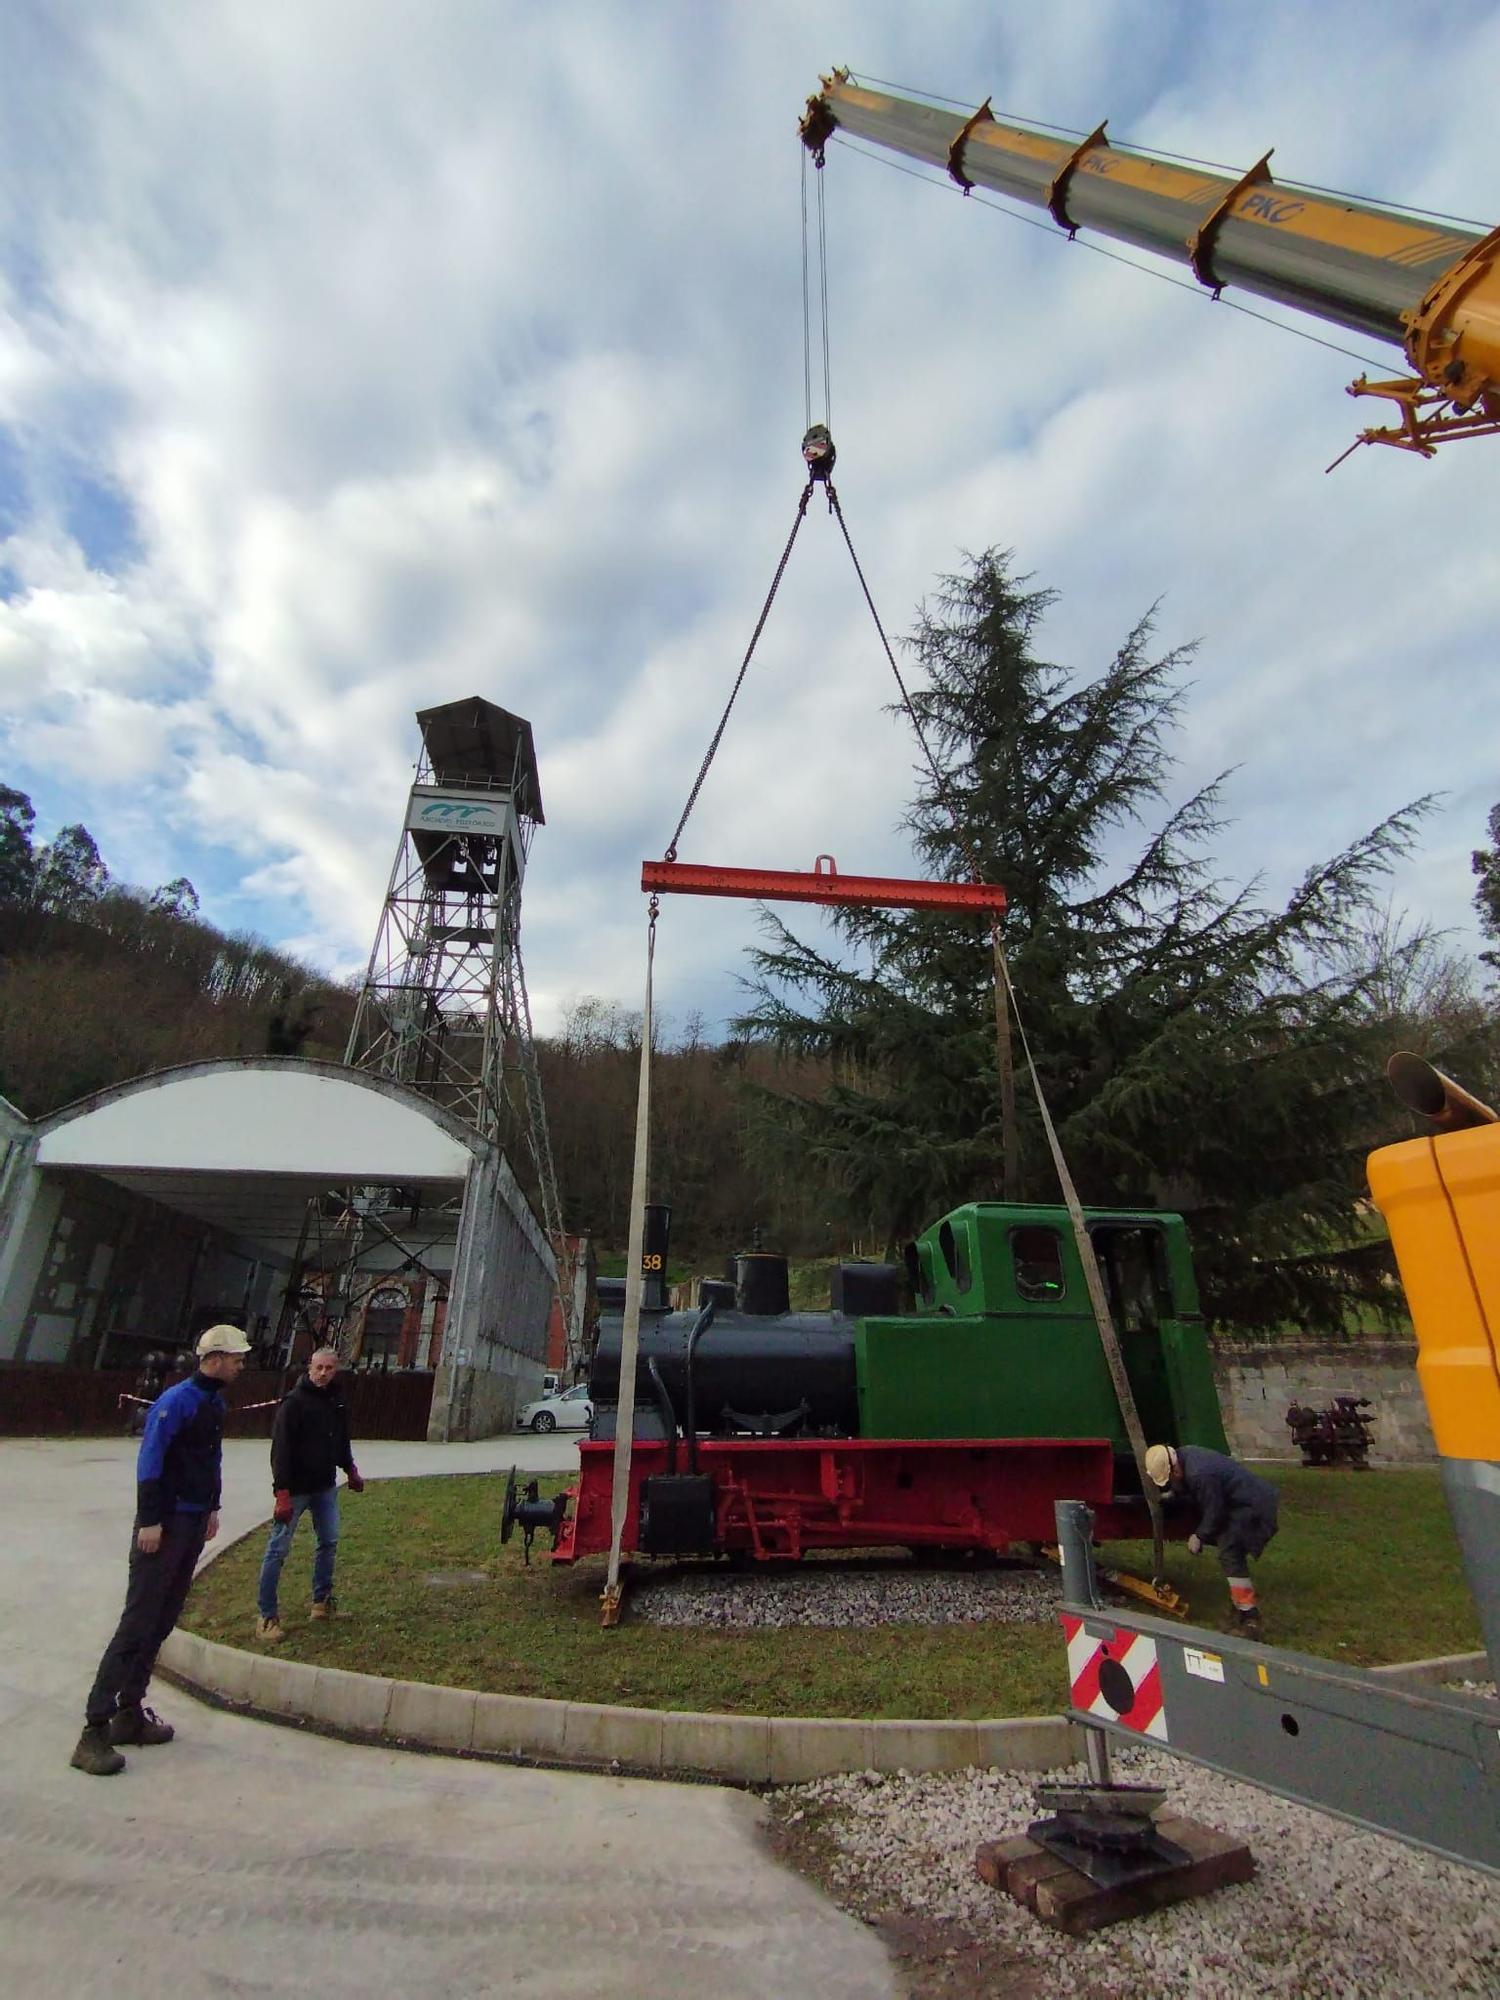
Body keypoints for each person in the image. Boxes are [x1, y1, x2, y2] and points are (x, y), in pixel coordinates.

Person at [71, 1323, 252, 1777]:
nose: (241, 1364)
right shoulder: (177, 1402)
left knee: (164, 1617)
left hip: (192, 1522)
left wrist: (212, 1507)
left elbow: (210, 1459)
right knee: (136, 1623)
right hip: (164, 1523)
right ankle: (94, 1729)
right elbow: (150, 1461)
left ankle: (130, 1711)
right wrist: (150, 1519)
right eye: (236, 1357)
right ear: (214, 1359)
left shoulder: (213, 1402)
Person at [255, 1345, 363, 1640]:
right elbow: (281, 1451)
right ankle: (266, 1616)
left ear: (335, 1370)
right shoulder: (294, 1403)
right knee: (278, 1549)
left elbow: (340, 1440)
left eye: (330, 1368)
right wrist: (282, 1493)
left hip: (324, 1486)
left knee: (328, 1541)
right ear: (310, 1369)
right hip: (295, 1489)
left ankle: (322, 1602)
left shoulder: (336, 1401)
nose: (324, 1373)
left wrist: (350, 1469)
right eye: (319, 1368)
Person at [1144, 1441, 1280, 1634]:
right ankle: (1241, 1606)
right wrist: (1173, 1496)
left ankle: (1250, 1617)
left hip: (1253, 1506)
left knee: (1230, 1550)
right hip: (1242, 1501)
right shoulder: (1185, 1456)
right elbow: (1190, 1487)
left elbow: (1214, 1510)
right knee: (1229, 1550)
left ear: (1173, 1468)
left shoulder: (1200, 1473)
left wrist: (1199, 1536)